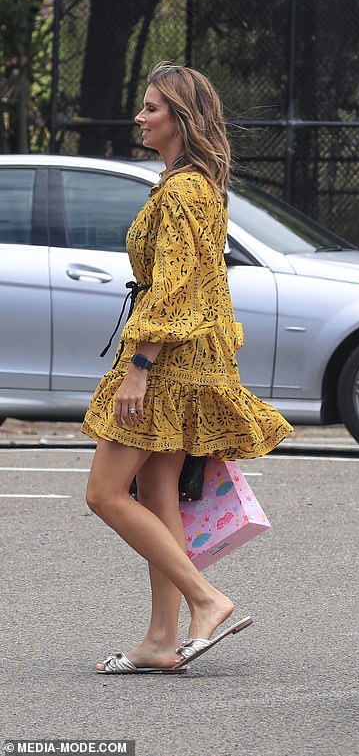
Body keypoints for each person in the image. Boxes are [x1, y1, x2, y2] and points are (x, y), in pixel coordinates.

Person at [82, 62, 292, 674]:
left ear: (181, 119)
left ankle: (206, 600)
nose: (140, 116)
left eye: (151, 108)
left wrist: (140, 365)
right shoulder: (197, 184)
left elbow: (174, 287)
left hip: (166, 360)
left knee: (103, 493)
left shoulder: (180, 191)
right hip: (192, 356)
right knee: (157, 493)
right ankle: (160, 639)